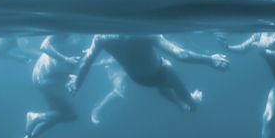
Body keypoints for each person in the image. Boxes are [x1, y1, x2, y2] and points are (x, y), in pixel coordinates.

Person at [66, 34, 229, 113]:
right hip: (161, 72)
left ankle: (180, 105)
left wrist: (77, 81)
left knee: (160, 85)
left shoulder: (101, 37)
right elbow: (181, 54)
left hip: (138, 79)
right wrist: (210, 60)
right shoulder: (143, 31)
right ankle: (191, 104)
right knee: (169, 69)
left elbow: (86, 61)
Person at [15, 35, 82, 138]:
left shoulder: (76, 33)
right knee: (71, 115)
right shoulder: (64, 29)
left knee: (55, 116)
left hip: (48, 77)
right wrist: (66, 60)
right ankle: (35, 117)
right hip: (46, 78)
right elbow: (44, 46)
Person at [89, 57, 128, 125]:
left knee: (120, 88)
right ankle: (98, 108)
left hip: (122, 66)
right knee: (119, 88)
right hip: (116, 66)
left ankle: (98, 108)